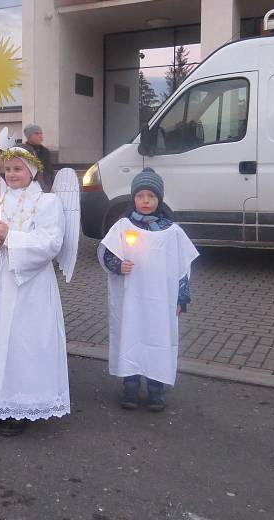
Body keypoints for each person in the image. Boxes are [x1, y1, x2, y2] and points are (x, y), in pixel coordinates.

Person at [0, 146, 70, 436]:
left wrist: (11, 237)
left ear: (32, 171)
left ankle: (20, 406)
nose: (11, 174)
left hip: (27, 285)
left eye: (18, 169)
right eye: (7, 169)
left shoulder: (47, 202)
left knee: (20, 343)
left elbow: (50, 242)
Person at [98, 168, 198, 412]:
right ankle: (130, 389)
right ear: (133, 198)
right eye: (140, 195)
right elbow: (106, 252)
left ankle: (156, 391)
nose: (145, 201)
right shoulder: (123, 226)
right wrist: (118, 265)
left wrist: (181, 297)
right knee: (131, 337)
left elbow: (184, 266)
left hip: (160, 302)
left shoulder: (172, 232)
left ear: (159, 200)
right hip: (131, 299)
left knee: (158, 340)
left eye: (151, 196)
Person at [23, 124, 54, 190]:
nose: (40, 136)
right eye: (36, 133)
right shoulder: (23, 151)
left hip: (45, 187)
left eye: (41, 133)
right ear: (29, 136)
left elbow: (50, 171)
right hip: (29, 188)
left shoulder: (45, 151)